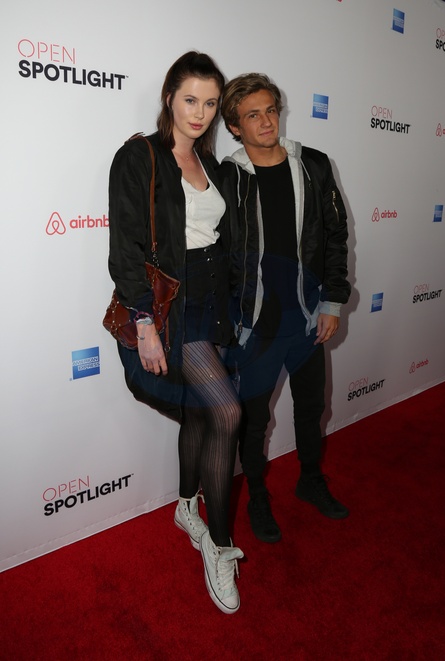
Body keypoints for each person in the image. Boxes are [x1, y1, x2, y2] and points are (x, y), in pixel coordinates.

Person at [108, 52, 243, 613]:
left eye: (210, 103)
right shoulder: (139, 157)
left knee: (201, 413)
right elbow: (126, 247)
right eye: (190, 99)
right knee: (226, 411)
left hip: (213, 303)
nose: (200, 112)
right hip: (170, 309)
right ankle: (219, 546)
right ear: (169, 97)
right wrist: (144, 322)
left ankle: (187, 506)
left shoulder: (212, 163)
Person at [220, 73, 351, 543]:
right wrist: (230, 322)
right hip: (255, 327)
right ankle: (257, 495)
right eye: (253, 115)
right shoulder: (226, 177)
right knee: (253, 423)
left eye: (271, 110)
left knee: (312, 408)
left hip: (308, 318)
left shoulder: (313, 165)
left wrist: (332, 300)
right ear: (234, 127)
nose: (266, 122)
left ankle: (310, 480)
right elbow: (214, 255)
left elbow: (335, 236)